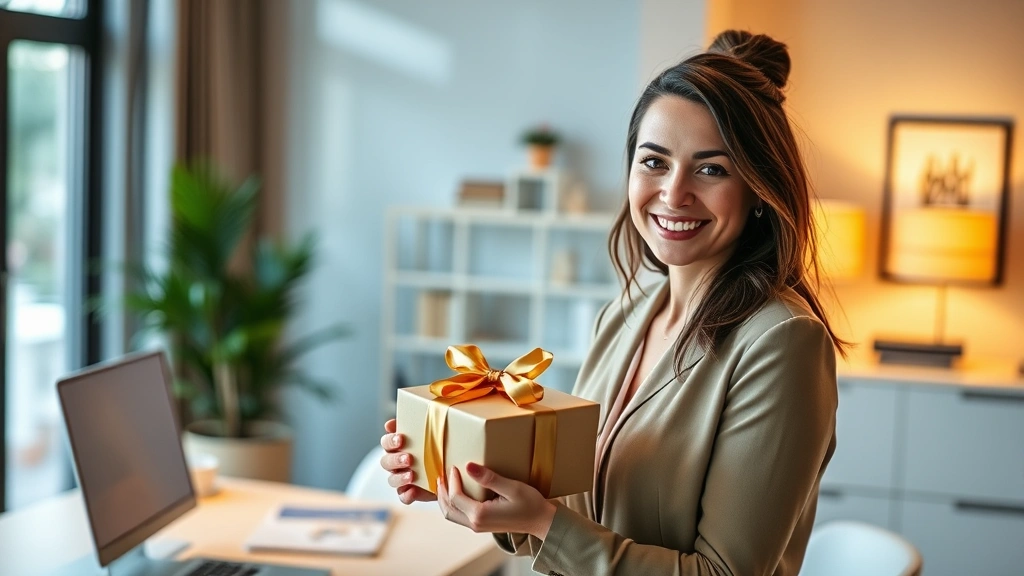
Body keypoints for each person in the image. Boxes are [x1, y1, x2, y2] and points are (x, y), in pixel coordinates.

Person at [380, 29, 846, 576]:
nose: (673, 193)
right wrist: (470, 484)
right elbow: (580, 512)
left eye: (712, 168)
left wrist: (542, 526)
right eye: (654, 162)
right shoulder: (628, 312)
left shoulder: (781, 340)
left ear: (759, 189)